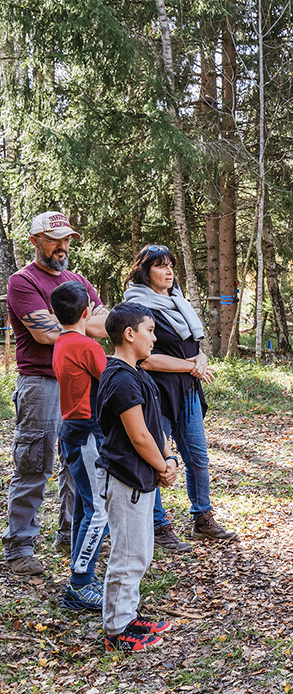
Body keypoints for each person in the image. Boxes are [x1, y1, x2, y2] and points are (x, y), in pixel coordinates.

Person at [3, 211, 107, 576]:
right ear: (35, 241)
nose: (62, 246)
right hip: (41, 382)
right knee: (34, 462)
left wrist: (70, 323)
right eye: (54, 239)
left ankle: (71, 533)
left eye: (67, 239)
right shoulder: (22, 281)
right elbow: (45, 334)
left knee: (79, 460)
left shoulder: (77, 280)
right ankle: (19, 546)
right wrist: (83, 324)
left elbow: (108, 323)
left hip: (80, 382)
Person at [124, 244, 236, 551]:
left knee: (198, 457)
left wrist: (199, 358)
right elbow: (146, 359)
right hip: (155, 392)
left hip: (187, 390)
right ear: (145, 272)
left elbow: (192, 345)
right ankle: (157, 525)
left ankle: (203, 518)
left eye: (171, 265)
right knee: (155, 458)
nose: (169, 271)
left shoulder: (177, 301)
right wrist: (191, 366)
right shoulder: (137, 307)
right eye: (160, 266)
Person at [96, 302, 175, 652]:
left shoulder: (138, 373)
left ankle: (128, 615)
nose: (154, 338)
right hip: (126, 477)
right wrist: (162, 466)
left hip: (143, 477)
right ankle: (116, 630)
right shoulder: (120, 378)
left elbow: (154, 429)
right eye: (150, 331)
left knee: (140, 553)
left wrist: (168, 458)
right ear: (129, 334)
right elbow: (139, 436)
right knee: (127, 556)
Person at [50, 281, 109, 612]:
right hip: (87, 432)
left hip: (72, 430)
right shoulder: (87, 347)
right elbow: (111, 380)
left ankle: (83, 574)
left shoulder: (61, 343)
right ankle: (80, 584)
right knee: (99, 510)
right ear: (87, 312)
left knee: (87, 507)